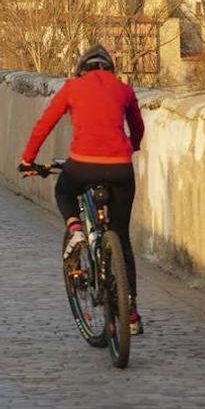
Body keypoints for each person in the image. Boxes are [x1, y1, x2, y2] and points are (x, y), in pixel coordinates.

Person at [19, 44, 145, 336]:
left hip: (83, 165)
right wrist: (131, 148)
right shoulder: (124, 89)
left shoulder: (72, 88)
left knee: (64, 190)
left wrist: (27, 159)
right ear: (109, 68)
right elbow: (137, 129)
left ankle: (75, 228)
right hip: (120, 169)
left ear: (82, 69)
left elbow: (44, 125)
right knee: (122, 239)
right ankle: (132, 311)